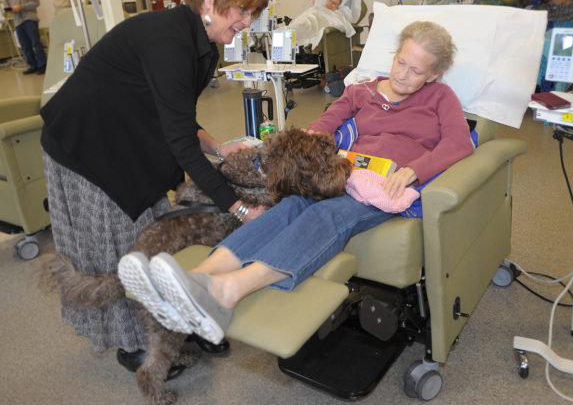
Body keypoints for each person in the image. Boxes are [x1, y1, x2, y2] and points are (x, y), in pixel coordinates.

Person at [118, 21, 476, 346]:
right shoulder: (362, 91)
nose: (403, 75)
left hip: (384, 189)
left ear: (434, 75)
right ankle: (195, 278)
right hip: (344, 173)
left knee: (329, 215)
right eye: (401, 62)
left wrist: (412, 170)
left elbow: (459, 143)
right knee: (290, 205)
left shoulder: (441, 98)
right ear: (394, 55)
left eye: (416, 71)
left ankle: (228, 291)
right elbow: (323, 124)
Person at [39, 0, 269, 374]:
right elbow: (180, 143)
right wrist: (239, 208)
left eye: (253, 13)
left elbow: (174, 115)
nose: (248, 22)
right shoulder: (168, 40)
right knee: (121, 246)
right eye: (243, 11)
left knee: (159, 236)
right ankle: (135, 346)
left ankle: (180, 320)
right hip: (87, 145)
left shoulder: (202, 44)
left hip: (128, 135)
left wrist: (218, 147)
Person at [3, 0, 48, 75]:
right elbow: (6, 4)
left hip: (29, 18)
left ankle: (42, 65)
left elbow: (36, 2)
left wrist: (21, 7)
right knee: (25, 45)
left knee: (35, 42)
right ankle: (32, 65)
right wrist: (9, 10)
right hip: (17, 21)